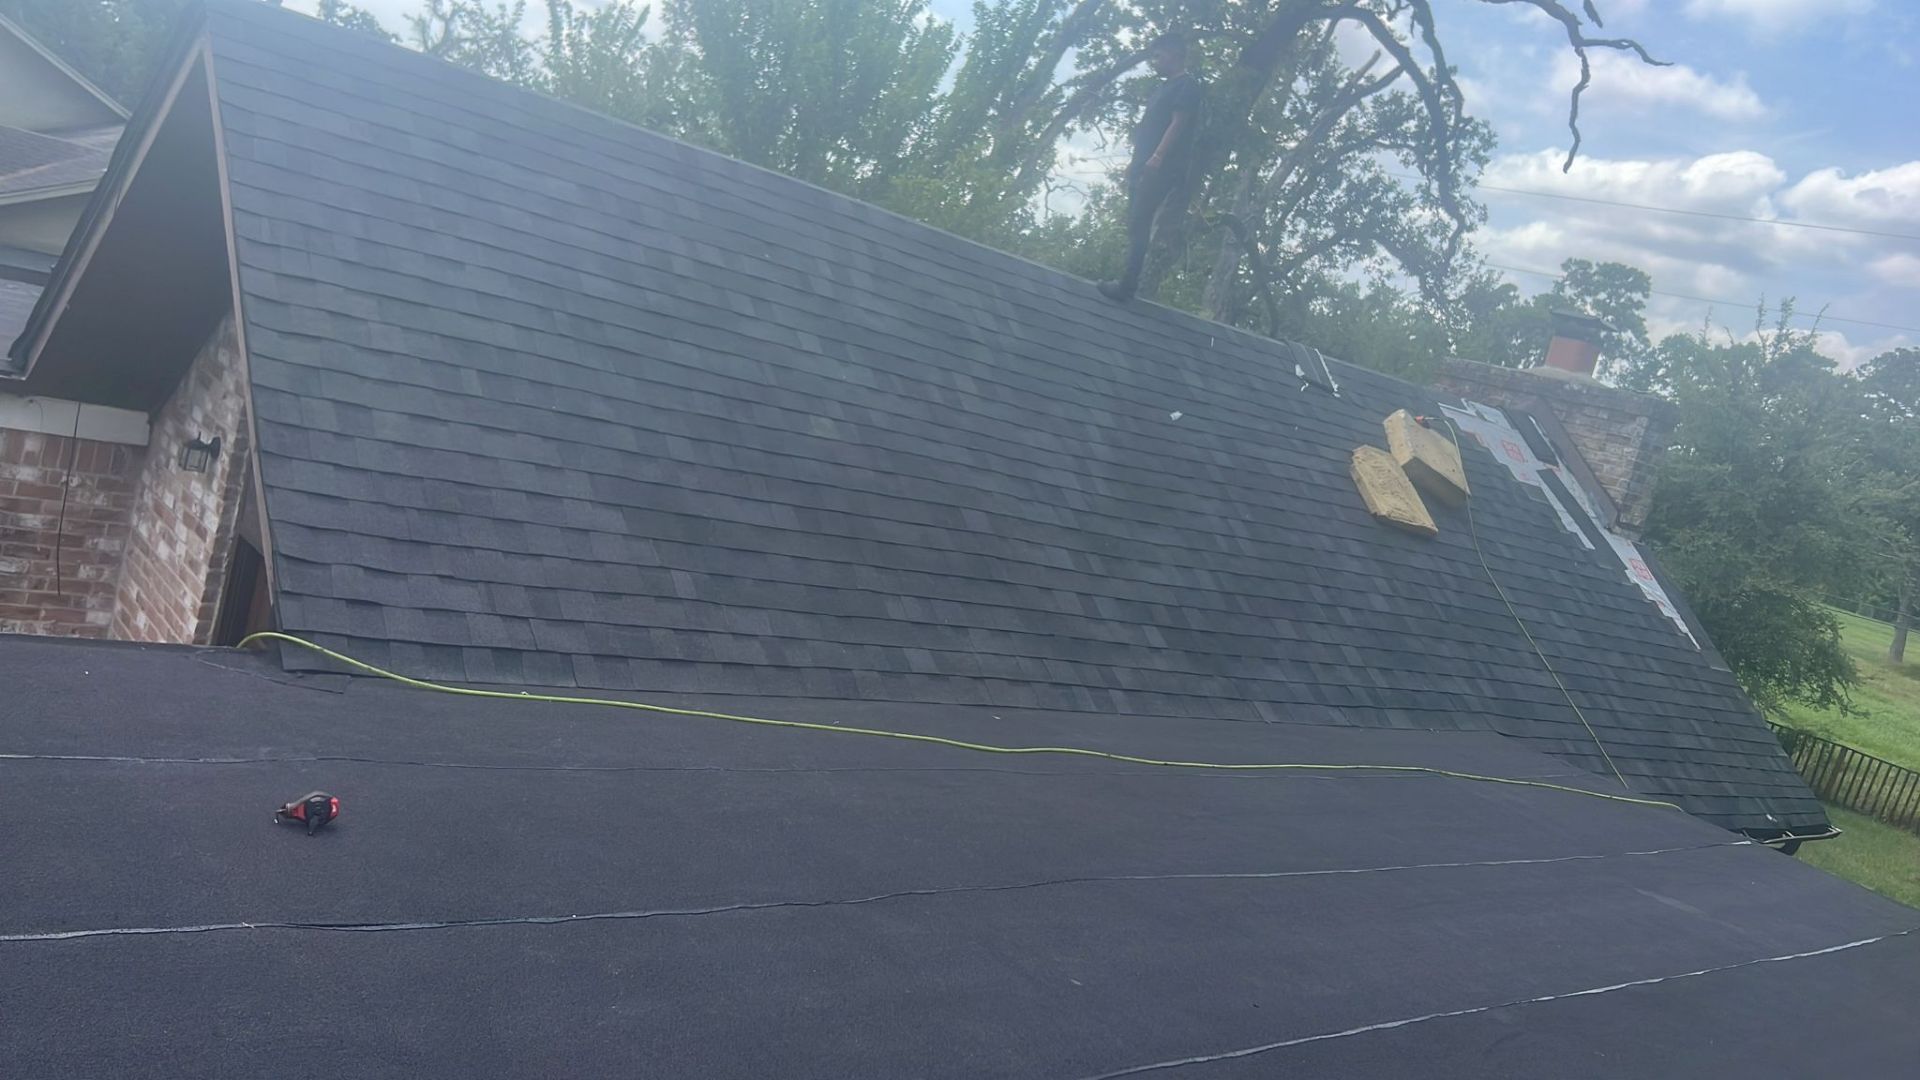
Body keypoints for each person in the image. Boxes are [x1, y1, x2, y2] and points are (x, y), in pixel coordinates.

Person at [1100, 33, 1203, 302]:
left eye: (1158, 55)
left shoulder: (1187, 86)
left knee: (1140, 221)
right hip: (1143, 164)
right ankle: (1126, 280)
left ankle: (1127, 285)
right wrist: (1134, 165)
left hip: (1161, 167)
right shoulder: (1162, 88)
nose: (1154, 60)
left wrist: (1157, 157)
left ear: (1174, 54)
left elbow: (1177, 123)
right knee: (1133, 221)